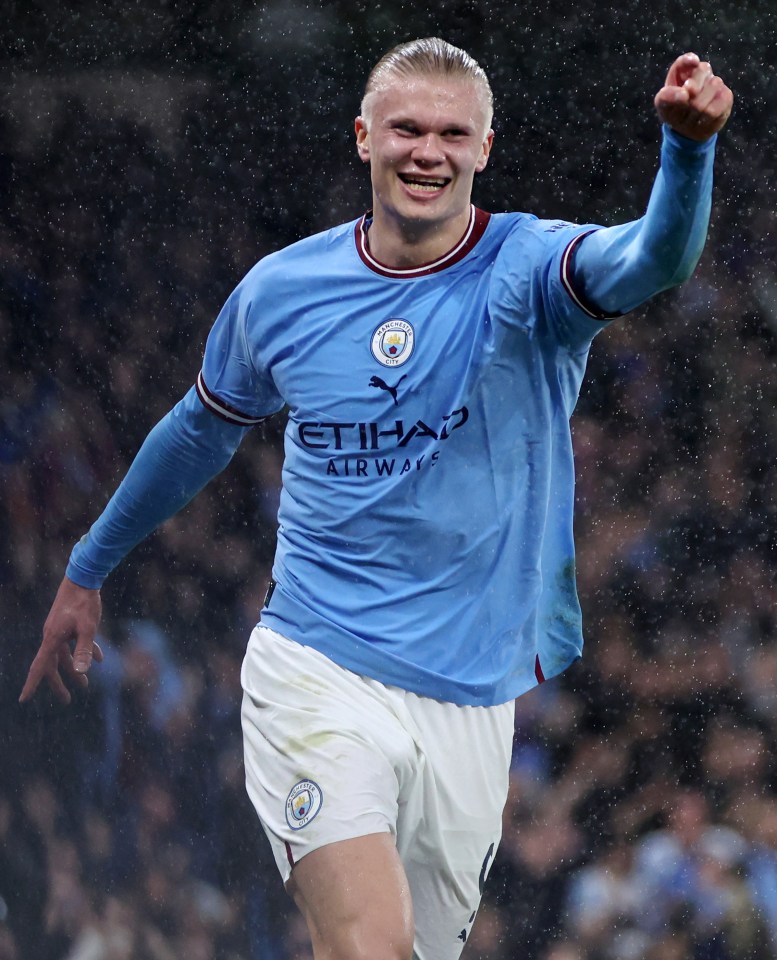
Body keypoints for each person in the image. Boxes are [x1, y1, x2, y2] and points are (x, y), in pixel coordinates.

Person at [21, 37, 732, 960]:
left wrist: (686, 151)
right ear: (364, 138)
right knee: (370, 946)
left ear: (484, 148)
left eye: (450, 133)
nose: (426, 151)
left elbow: (653, 260)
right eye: (405, 128)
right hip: (316, 666)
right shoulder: (280, 291)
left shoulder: (529, 271)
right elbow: (201, 428)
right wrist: (88, 567)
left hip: (472, 700)